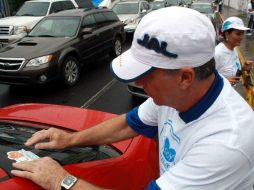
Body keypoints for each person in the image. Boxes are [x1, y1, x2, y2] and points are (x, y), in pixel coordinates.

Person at [11, 7, 254, 190]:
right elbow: (128, 124)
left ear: (185, 77)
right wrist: (69, 140)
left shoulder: (226, 143)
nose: (137, 83)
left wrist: (60, 180)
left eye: (145, 75)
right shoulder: (176, 97)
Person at [215, 16, 249, 85]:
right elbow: (205, 81)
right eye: (238, 34)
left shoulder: (234, 48)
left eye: (242, 33)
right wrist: (224, 82)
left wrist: (243, 69)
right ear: (227, 34)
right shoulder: (217, 53)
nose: (242, 37)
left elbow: (234, 75)